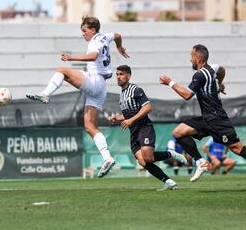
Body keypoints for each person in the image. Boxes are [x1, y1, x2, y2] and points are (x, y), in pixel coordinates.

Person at [26, 16, 129, 178]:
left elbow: (93, 56)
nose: (83, 34)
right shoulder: (104, 36)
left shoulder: (95, 41)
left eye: (84, 30)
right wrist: (120, 47)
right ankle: (108, 158)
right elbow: (117, 35)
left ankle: (46, 95)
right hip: (101, 88)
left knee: (62, 70)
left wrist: (71, 57)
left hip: (95, 81)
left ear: (93, 30)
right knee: (90, 127)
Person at [159, 44, 246, 182]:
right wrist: (220, 83)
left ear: (198, 58)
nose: (190, 60)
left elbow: (187, 95)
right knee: (178, 132)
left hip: (217, 119)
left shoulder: (199, 75)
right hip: (207, 118)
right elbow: (222, 69)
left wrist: (170, 82)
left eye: (191, 56)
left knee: (237, 148)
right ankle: (201, 162)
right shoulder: (213, 68)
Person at [109, 65, 187, 191]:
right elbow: (129, 114)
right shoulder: (122, 94)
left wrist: (130, 120)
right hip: (133, 131)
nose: (118, 77)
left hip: (144, 127)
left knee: (148, 157)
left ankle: (170, 154)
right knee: (143, 161)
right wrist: (117, 118)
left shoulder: (135, 90)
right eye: (117, 74)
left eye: (121, 74)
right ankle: (169, 182)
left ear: (128, 76)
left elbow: (147, 107)